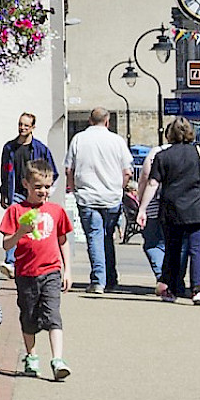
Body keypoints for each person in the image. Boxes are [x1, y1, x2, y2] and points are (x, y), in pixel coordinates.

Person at [0, 164, 73, 380]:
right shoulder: (16, 211)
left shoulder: (55, 211)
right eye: (38, 186)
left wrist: (67, 269)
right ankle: (31, 356)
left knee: (53, 314)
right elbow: (6, 244)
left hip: (51, 270)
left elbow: (63, 240)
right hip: (26, 273)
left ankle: (57, 359)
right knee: (29, 316)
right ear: (26, 185)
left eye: (47, 187)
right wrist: (21, 231)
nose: (43, 191)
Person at [137, 119, 200, 305]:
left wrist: (142, 208)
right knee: (197, 248)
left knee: (173, 249)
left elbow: (153, 183)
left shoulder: (163, 156)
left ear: (169, 134)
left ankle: (171, 289)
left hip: (172, 209)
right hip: (198, 209)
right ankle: (198, 290)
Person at [64, 108, 130, 295]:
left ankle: (98, 280)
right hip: (111, 197)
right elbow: (127, 171)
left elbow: (69, 169)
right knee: (107, 237)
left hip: (88, 196)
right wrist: (120, 188)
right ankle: (110, 278)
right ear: (107, 122)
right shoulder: (117, 141)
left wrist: (74, 189)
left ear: (89, 120)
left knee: (94, 237)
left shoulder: (78, 139)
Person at [0, 113, 55, 264]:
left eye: (26, 125)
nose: (22, 128)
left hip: (34, 194)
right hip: (15, 193)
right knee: (15, 223)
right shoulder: (10, 148)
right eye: (20, 124)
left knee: (33, 226)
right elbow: (5, 171)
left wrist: (45, 190)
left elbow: (52, 172)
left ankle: (31, 257)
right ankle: (10, 261)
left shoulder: (40, 149)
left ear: (33, 128)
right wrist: (3, 192)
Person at [135, 144, 166, 284]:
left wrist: (141, 203)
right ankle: (175, 278)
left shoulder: (156, 152)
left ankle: (161, 275)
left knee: (152, 243)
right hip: (179, 208)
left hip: (153, 205)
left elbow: (145, 178)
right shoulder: (193, 152)